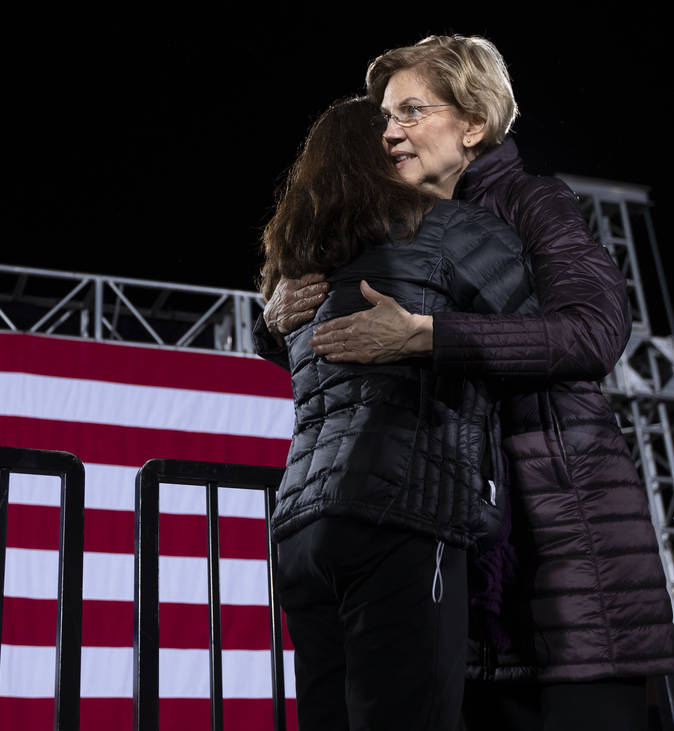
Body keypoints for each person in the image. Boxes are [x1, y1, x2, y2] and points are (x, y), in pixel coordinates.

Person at [256, 35, 674, 730]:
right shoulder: (394, 229)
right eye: (387, 116)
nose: (391, 131)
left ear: (474, 123)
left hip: (562, 551)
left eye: (413, 111)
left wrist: (429, 336)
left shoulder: (534, 203)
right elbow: (351, 353)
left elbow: (595, 332)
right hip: (466, 559)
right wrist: (278, 322)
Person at [263, 94, 535, 731]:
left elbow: (308, 366)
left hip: (300, 527)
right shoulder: (447, 228)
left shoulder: (295, 270)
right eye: (394, 127)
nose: (404, 135)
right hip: (403, 509)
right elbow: (551, 337)